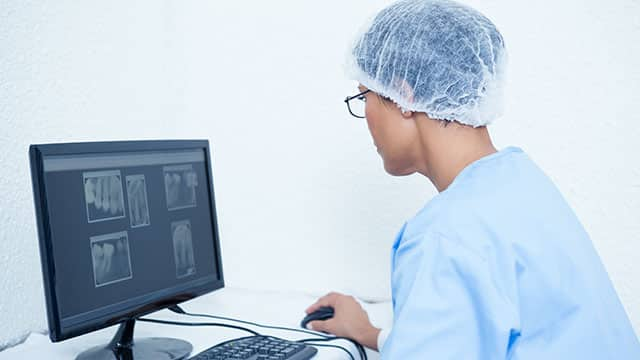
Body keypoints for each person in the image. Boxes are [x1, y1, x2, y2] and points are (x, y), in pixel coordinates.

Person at [304, 0, 640, 358]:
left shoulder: (447, 234)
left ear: (404, 95)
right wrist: (369, 333)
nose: (365, 115)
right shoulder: (521, 182)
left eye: (363, 94)